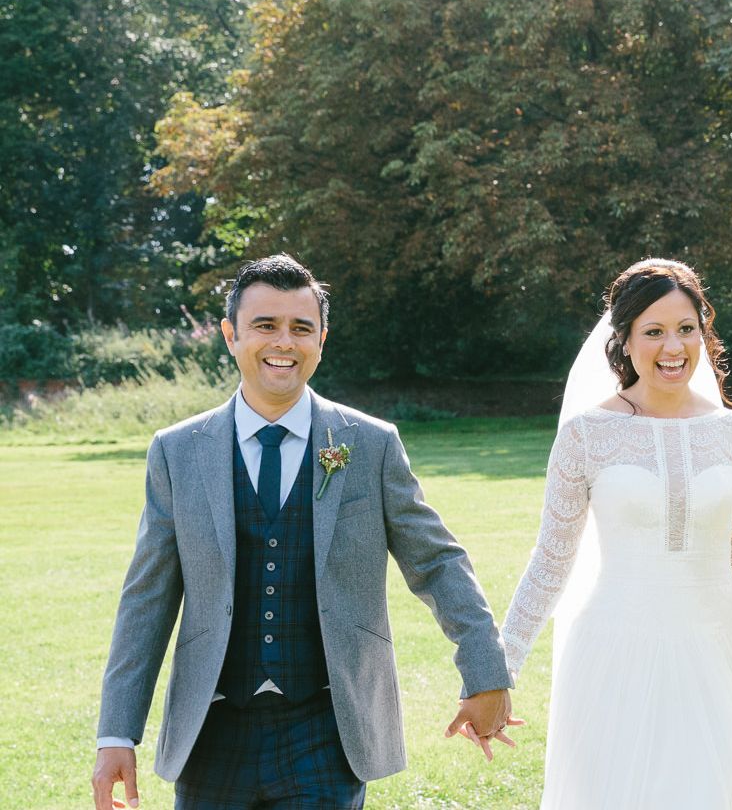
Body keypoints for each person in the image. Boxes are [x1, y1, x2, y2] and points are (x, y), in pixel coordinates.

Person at [92, 254, 518, 810]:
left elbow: (437, 563)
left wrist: (486, 671)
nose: (283, 342)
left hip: (328, 729)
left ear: (322, 338)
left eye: (301, 328)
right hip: (211, 732)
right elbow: (146, 597)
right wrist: (116, 734)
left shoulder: (370, 444)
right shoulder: (177, 451)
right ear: (230, 335)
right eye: (265, 325)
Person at [500, 258, 732, 809]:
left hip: (718, 654)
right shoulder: (587, 435)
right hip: (615, 656)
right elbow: (550, 563)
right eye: (653, 332)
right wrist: (501, 666)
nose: (673, 347)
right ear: (624, 340)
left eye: (686, 329)